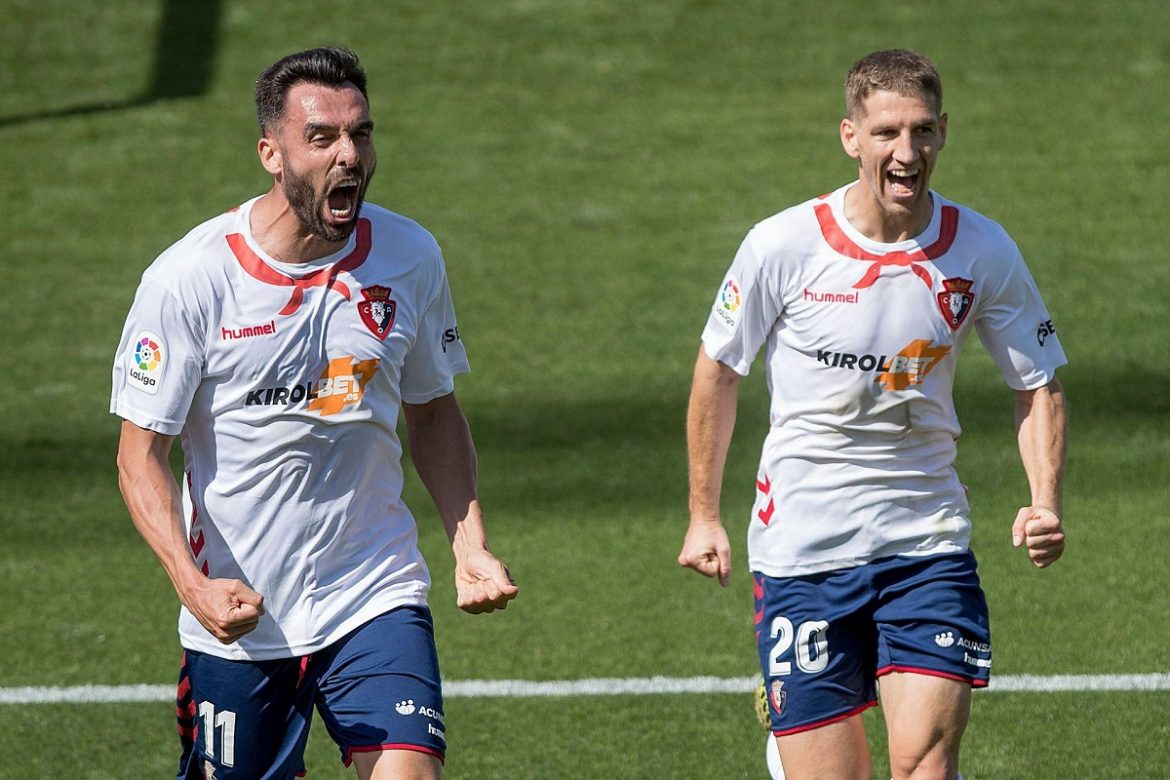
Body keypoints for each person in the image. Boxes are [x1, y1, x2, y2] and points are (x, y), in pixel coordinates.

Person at [112, 47, 518, 780]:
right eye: (322, 137)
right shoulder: (188, 280)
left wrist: (469, 543)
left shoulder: (409, 256)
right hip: (240, 614)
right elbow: (139, 455)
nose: (348, 156)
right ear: (272, 153)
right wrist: (191, 584)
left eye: (360, 134)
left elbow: (432, 411)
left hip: (373, 589)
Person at [678, 49, 1067, 780]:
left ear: (944, 132)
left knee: (923, 763)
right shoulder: (783, 245)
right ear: (850, 136)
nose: (907, 152)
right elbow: (718, 370)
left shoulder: (981, 248)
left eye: (922, 131)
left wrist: (1043, 500)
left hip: (926, 540)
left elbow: (1037, 381)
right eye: (887, 132)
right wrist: (704, 514)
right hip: (804, 546)